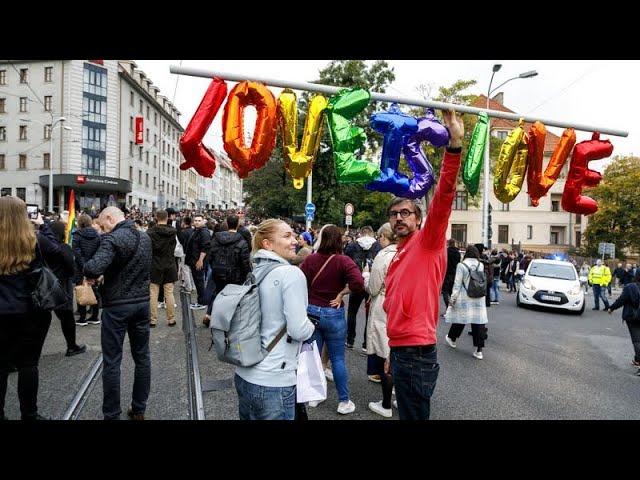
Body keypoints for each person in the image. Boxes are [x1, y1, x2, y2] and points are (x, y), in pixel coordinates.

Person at [382, 109, 463, 420]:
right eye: (395, 214)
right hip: (403, 352)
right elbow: (394, 301)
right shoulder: (399, 253)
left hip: (416, 354)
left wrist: (453, 146)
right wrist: (392, 350)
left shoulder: (428, 242)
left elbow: (443, 196)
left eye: (406, 213)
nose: (400, 217)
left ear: (417, 218)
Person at [234, 219, 315, 420]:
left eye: (293, 235)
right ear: (267, 244)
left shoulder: (256, 271)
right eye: (286, 236)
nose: (295, 240)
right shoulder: (291, 274)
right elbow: (298, 330)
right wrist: (312, 326)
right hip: (274, 378)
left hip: (245, 373)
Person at [83, 207, 152, 420]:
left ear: (110, 219)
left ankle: (112, 414)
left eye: (103, 226)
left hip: (117, 306)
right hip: (141, 303)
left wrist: (93, 271)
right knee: (142, 357)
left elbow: (93, 268)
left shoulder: (112, 240)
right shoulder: (145, 238)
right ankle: (139, 408)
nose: (102, 231)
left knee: (112, 361)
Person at [0, 197, 66, 420]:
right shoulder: (33, 241)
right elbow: (55, 253)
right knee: (29, 364)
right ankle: (29, 413)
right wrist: (43, 225)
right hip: (29, 312)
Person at [300, 225, 364, 415]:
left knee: (313, 356)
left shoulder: (310, 260)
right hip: (333, 313)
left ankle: (314, 396)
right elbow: (358, 283)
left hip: (312, 312)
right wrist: (342, 293)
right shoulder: (343, 261)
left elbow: (300, 281)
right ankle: (343, 401)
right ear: (339, 241)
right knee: (337, 359)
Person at [365, 223, 397, 418]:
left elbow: (374, 287)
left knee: (386, 353)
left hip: (385, 304)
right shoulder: (408, 252)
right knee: (400, 352)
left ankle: (386, 404)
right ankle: (399, 396)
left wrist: (366, 278)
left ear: (384, 236)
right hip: (406, 305)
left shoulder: (384, 255)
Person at [202, 214, 251, 327]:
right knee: (232, 298)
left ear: (227, 223)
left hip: (218, 271)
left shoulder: (216, 239)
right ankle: (227, 320)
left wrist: (215, 267)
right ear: (238, 224)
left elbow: (211, 255)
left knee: (218, 293)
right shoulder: (241, 241)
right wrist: (245, 274)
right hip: (235, 274)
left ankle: (211, 315)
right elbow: (244, 261)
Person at [47, 221, 87, 357]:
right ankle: (72, 346)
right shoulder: (63, 248)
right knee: (67, 317)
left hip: (44, 286)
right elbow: (71, 267)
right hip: (62, 285)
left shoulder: (43, 247)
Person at [444, 245, 489, 359]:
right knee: (478, 322)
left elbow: (457, 284)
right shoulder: (481, 265)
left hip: (465, 297)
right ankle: (479, 350)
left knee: (461, 318)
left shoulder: (461, 265)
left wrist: (452, 299)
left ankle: (452, 338)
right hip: (478, 297)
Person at [344, 226, 381, 352]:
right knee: (369, 314)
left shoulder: (353, 245)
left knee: (352, 312)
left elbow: (346, 260)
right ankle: (366, 344)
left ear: (361, 233)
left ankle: (350, 340)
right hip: (371, 282)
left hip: (356, 280)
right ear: (371, 233)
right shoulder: (378, 246)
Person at [147, 209, 178, 328]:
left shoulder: (150, 232)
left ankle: (152, 320)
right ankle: (171, 319)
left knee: (153, 293)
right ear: (167, 217)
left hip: (154, 264)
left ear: (156, 217)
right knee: (169, 293)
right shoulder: (173, 232)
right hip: (169, 263)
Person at [607, 270, 640, 373]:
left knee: (637, 340)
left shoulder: (630, 287)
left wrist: (611, 308)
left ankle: (639, 361)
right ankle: (637, 359)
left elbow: (622, 300)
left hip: (633, 317)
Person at [72, 214, 102, 326]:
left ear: (80, 223)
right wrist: (92, 266)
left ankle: (82, 318)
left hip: (81, 268)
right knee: (94, 291)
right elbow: (99, 253)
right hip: (94, 266)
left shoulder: (77, 235)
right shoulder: (98, 236)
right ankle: (95, 317)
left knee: (81, 290)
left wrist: (84, 266)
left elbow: (77, 253)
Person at [184, 214, 211, 310]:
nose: (197, 222)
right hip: (193, 260)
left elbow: (205, 247)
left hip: (198, 261)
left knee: (199, 282)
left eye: (199, 220)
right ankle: (200, 301)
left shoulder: (204, 232)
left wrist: (200, 260)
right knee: (198, 282)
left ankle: (202, 302)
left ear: (203, 221)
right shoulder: (196, 231)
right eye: (195, 220)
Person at [441, 239, 461, 314]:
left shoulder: (446, 252)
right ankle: (453, 308)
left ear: (448, 243)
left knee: (445, 291)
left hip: (446, 273)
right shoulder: (457, 253)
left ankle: (448, 308)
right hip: (454, 273)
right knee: (452, 292)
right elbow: (459, 263)